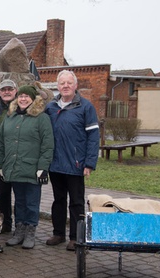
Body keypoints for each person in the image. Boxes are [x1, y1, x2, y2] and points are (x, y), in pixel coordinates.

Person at [44, 70, 100, 251]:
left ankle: (76, 237)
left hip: (76, 165)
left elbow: (93, 137)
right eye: (62, 83)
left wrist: (89, 163)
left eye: (69, 83)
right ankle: (58, 233)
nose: (65, 86)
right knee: (58, 200)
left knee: (76, 202)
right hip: (55, 164)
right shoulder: (51, 107)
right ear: (57, 86)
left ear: (75, 86)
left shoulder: (85, 107)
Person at [0, 85, 54, 249]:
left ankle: (30, 232)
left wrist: (43, 167)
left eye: (26, 96)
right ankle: (19, 231)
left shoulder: (41, 118)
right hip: (14, 168)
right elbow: (0, 143)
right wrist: (1, 164)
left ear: (33, 99)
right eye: (20, 96)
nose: (23, 99)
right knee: (19, 202)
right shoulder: (10, 117)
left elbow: (47, 145)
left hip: (32, 169)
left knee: (31, 203)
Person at [0, 79, 18, 233]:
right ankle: (6, 223)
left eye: (10, 89)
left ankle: (21, 225)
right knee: (3, 194)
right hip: (1, 159)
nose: (7, 92)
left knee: (20, 194)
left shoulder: (21, 109)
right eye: (4, 89)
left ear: (15, 91)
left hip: (18, 158)